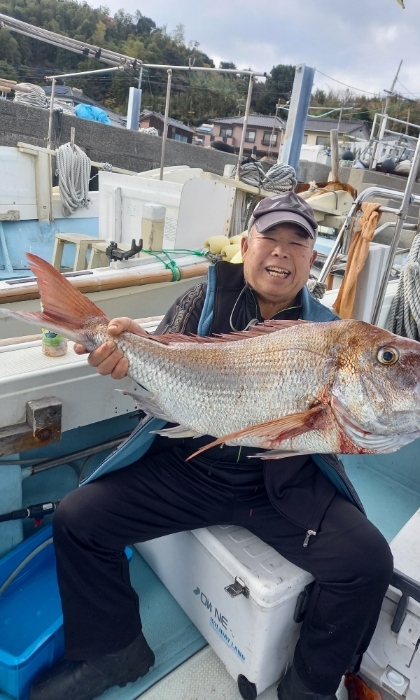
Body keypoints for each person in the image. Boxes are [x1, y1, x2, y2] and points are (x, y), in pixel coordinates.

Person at [29, 192, 393, 700]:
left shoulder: (331, 334)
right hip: (190, 467)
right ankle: (115, 653)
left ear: (313, 259)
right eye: (269, 238)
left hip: (282, 483)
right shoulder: (197, 303)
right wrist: (124, 352)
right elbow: (158, 383)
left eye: (298, 243)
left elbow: (337, 426)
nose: (281, 254)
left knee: (369, 561)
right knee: (78, 518)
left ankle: (308, 687)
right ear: (246, 245)